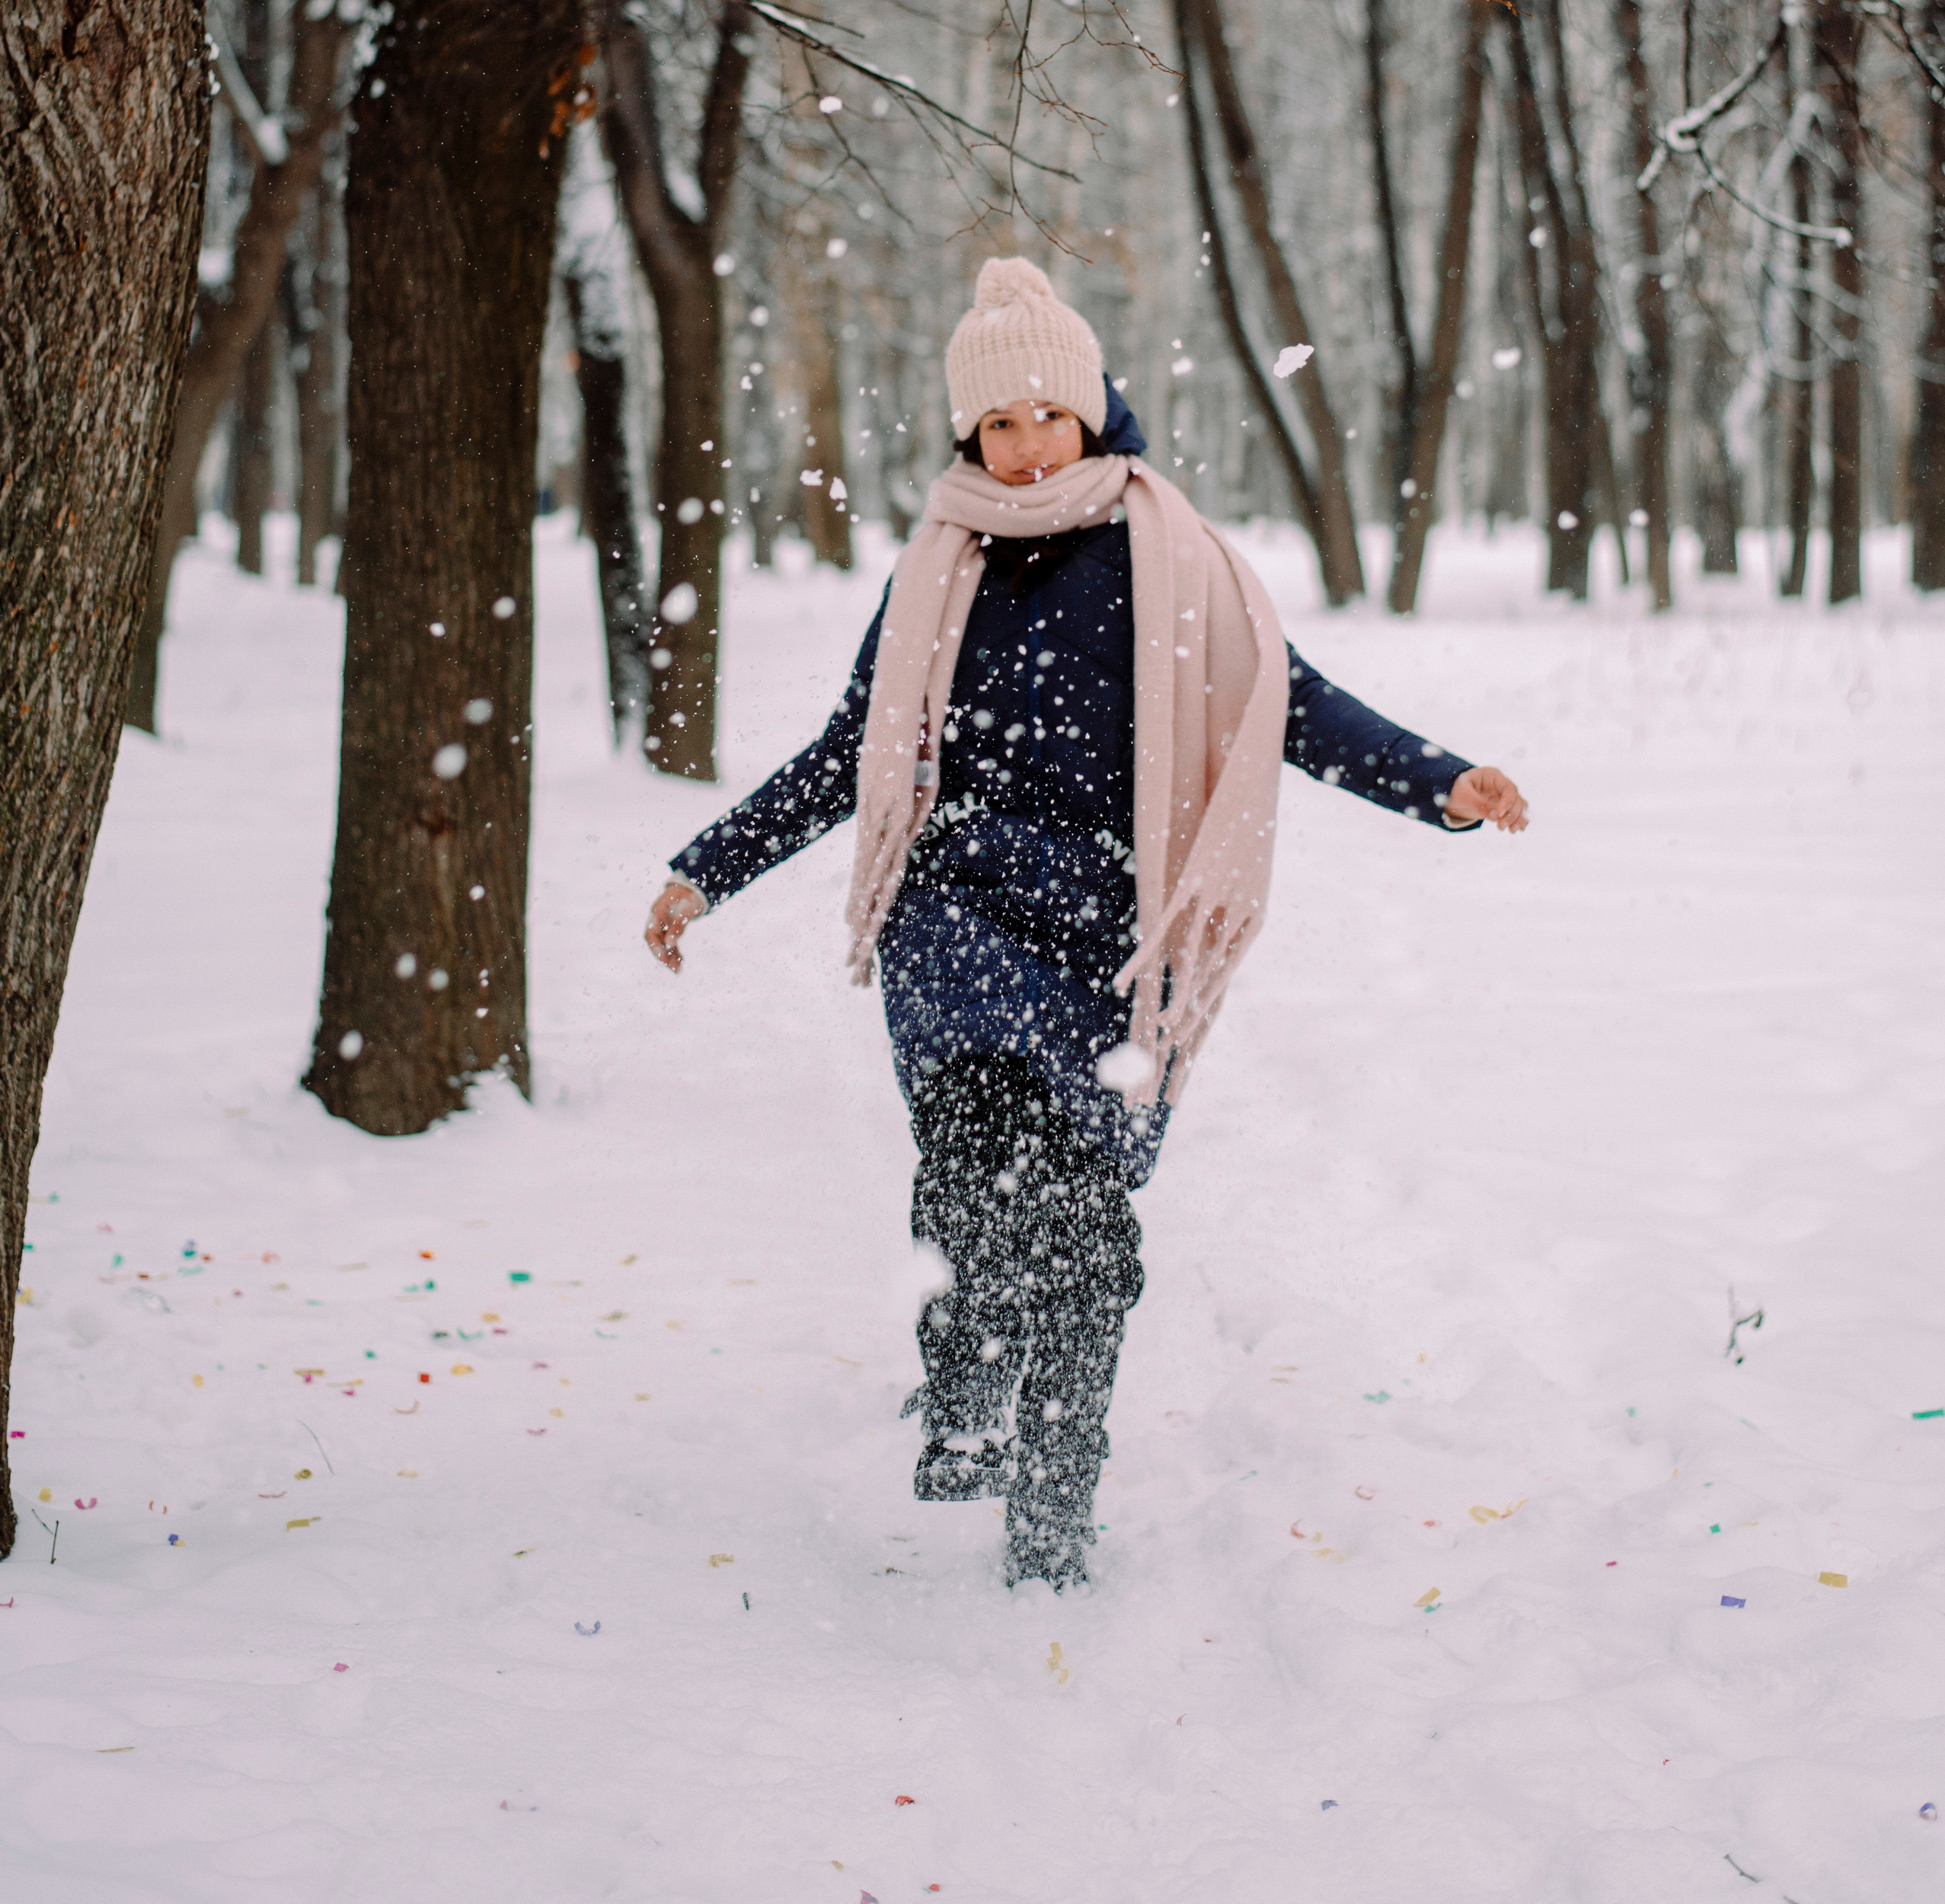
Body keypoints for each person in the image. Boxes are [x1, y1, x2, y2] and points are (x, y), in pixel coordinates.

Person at [644, 259, 1527, 1590]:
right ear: (969, 433)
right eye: (998, 422)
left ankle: (1047, 1482)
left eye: (1047, 414)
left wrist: (1439, 782)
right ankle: (977, 1405)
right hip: (953, 920)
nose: (1025, 444)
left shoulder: (1170, 558)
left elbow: (1287, 704)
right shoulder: (937, 566)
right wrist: (707, 869)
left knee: (1084, 1232)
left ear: (1093, 409)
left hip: (1107, 934)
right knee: (981, 1179)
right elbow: (852, 754)